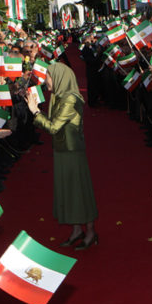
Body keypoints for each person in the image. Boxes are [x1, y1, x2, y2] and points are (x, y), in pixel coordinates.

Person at [26, 62, 98, 249]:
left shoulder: (70, 99)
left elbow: (53, 127)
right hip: (62, 150)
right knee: (67, 191)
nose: (45, 80)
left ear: (58, 77)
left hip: (72, 153)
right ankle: (76, 230)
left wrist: (35, 111)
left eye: (48, 76)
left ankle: (90, 232)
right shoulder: (59, 96)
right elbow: (52, 123)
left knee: (79, 192)